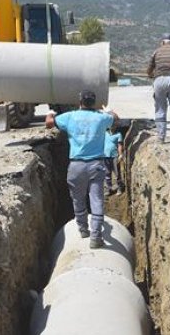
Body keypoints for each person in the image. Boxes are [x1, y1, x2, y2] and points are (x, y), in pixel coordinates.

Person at [46, 90, 118, 249]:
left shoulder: (70, 117)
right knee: (97, 199)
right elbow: (115, 118)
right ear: (94, 102)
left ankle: (83, 229)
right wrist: (108, 110)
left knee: (78, 199)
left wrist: (50, 113)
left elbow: (49, 123)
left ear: (80, 102)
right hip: (96, 166)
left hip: (76, 166)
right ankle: (96, 236)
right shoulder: (101, 118)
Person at [103, 127, 125, 195]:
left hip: (115, 156)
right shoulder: (104, 133)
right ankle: (108, 189)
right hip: (105, 156)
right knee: (107, 173)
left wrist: (120, 154)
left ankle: (119, 188)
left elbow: (119, 145)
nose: (112, 126)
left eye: (114, 124)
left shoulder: (118, 134)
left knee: (117, 174)